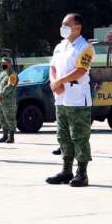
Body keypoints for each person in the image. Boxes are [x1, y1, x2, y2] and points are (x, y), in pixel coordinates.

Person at [46, 13, 95, 188]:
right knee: (63, 136)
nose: (63, 27)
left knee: (79, 136)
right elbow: (52, 67)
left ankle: (82, 174)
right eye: (62, 24)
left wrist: (60, 81)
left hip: (77, 98)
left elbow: (81, 70)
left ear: (77, 27)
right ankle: (66, 171)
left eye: (66, 24)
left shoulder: (85, 47)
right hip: (60, 97)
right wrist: (54, 82)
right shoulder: (60, 46)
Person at [0, 57, 18, 144]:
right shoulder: (1, 74)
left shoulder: (13, 74)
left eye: (4, 63)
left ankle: (11, 137)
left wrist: (0, 95)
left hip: (8, 102)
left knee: (10, 119)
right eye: (1, 63)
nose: (2, 64)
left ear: (9, 64)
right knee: (2, 119)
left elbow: (9, 87)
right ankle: (4, 136)